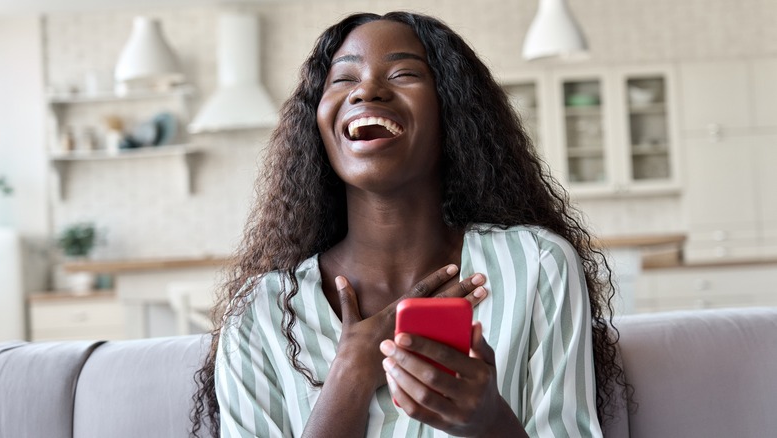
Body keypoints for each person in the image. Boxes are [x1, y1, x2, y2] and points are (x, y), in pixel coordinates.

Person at [192, 11, 626, 438]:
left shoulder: (536, 264)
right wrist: (351, 372)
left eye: (403, 74)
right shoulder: (261, 313)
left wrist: (491, 424)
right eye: (343, 79)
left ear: (451, 111)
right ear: (318, 122)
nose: (367, 90)